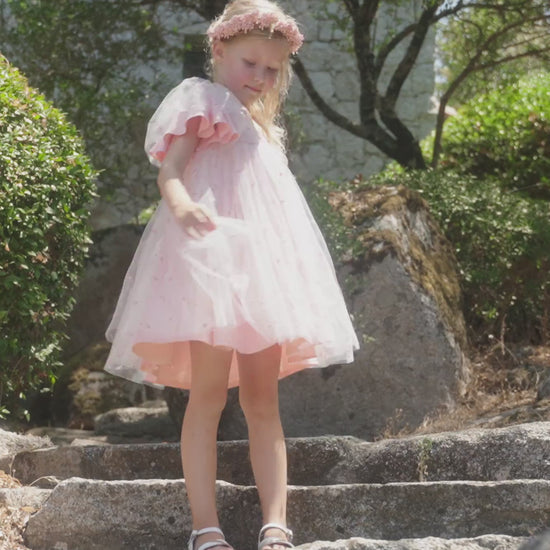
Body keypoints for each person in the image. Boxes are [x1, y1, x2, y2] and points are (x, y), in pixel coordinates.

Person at [104, 1, 359, 549]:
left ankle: (276, 524)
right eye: (250, 63)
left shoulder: (264, 130)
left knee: (263, 401)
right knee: (209, 397)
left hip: (261, 273)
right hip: (212, 270)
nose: (260, 77)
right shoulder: (203, 100)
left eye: (272, 69)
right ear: (219, 50)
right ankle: (206, 528)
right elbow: (171, 172)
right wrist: (182, 205)